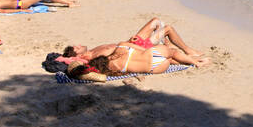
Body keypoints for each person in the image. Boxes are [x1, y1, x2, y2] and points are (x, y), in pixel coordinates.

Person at [63, 18, 209, 75]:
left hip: (131, 46)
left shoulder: (94, 51)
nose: (79, 45)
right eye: (76, 47)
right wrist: (129, 45)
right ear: (78, 55)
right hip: (135, 49)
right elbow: (118, 54)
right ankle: (188, 51)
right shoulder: (95, 57)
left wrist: (128, 42)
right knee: (168, 29)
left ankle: (171, 47)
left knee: (156, 22)